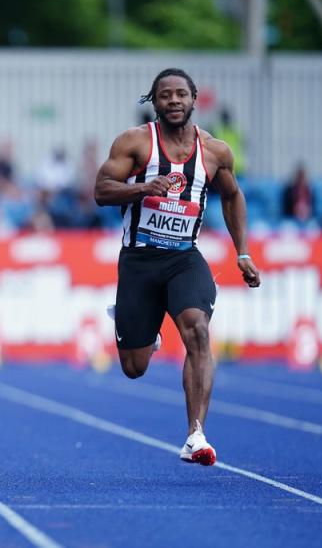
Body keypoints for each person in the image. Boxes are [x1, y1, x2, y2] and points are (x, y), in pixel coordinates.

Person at [94, 68, 260, 466]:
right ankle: (144, 333)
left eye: (180, 94)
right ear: (154, 101)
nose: (172, 100)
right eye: (165, 95)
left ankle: (195, 435)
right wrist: (141, 188)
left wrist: (243, 252)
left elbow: (233, 196)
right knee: (134, 368)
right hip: (139, 260)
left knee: (198, 331)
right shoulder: (135, 143)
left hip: (185, 257)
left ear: (193, 99)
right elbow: (101, 190)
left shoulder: (216, 151)